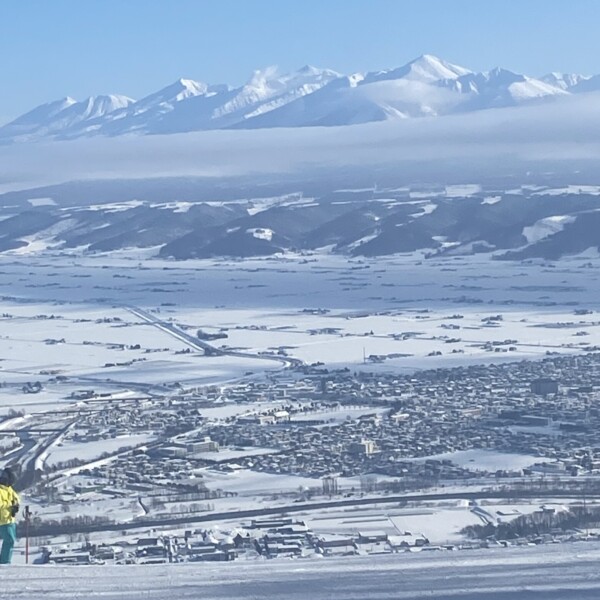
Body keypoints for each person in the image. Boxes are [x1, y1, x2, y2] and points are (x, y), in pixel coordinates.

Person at [0, 467, 19, 565]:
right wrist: (10, 504)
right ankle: (4, 562)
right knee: (9, 540)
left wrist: (16, 504)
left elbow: (16, 498)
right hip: (2, 521)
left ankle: (5, 561)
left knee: (11, 541)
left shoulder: (9, 489)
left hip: (10, 519)